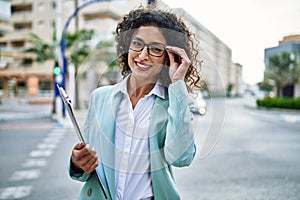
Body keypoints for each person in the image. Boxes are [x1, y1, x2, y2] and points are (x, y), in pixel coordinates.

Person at [68, 5, 201, 200]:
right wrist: (78, 163)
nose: (142, 55)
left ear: (169, 56)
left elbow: (181, 158)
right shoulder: (100, 98)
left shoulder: (175, 103)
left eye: (155, 49)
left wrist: (178, 83)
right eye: (137, 44)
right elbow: (88, 168)